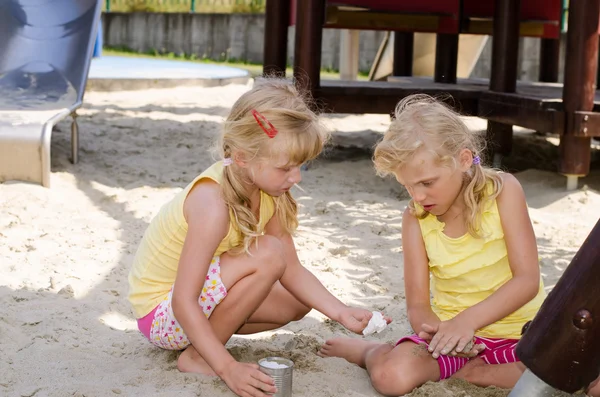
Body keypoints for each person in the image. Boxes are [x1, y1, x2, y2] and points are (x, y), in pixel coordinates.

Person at [128, 78, 385, 397]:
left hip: (190, 310)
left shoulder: (268, 193)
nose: (296, 177)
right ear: (242, 157)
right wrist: (228, 368)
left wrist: (340, 311)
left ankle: (207, 344)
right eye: (286, 168)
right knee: (268, 253)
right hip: (162, 314)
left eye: (301, 166)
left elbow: (292, 269)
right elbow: (183, 299)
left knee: (297, 299)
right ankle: (200, 357)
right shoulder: (212, 202)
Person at [317, 94, 549, 396]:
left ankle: (477, 373)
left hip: (519, 336)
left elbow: (527, 281)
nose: (418, 196)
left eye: (427, 183)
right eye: (407, 186)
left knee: (562, 371)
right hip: (451, 342)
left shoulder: (503, 192)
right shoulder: (415, 219)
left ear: (464, 160)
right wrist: (439, 332)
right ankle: (370, 353)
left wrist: (467, 323)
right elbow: (418, 306)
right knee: (391, 377)